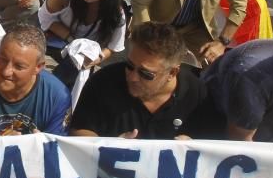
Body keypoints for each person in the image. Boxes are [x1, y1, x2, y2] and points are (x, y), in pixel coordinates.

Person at [69, 21, 209, 139]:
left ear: (172, 72)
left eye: (146, 74)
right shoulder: (103, 82)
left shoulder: (198, 95)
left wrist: (195, 146)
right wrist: (109, 147)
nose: (132, 77)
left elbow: (216, 144)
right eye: (129, 66)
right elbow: (79, 131)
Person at [0, 24, 70, 136]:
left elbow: (57, 149)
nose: (6, 71)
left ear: (38, 67)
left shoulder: (57, 97)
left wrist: (37, 146)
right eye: (3, 60)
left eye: (19, 66)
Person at [39, 0, 126, 82]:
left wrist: (96, 60)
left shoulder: (117, 12)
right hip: (54, 38)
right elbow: (44, 20)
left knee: (76, 69)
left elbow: (113, 47)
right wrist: (71, 39)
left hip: (84, 54)